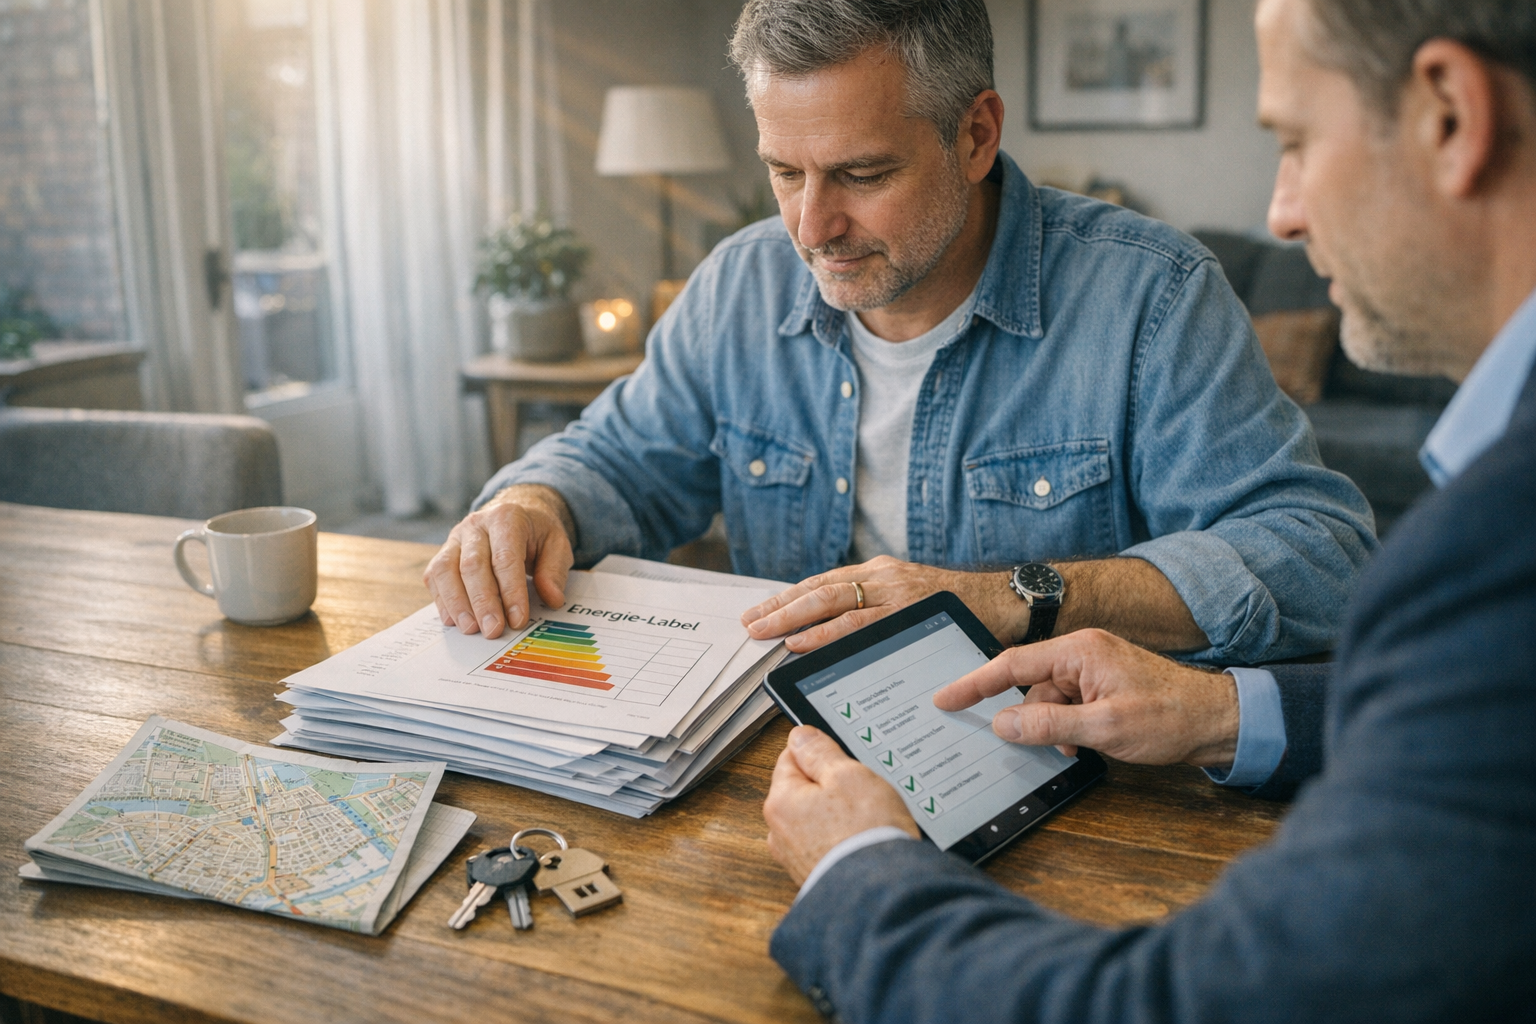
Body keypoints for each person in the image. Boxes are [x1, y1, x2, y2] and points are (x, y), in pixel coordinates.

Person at [762, 0, 1536, 1019]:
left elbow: (1179, 1003)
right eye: (783, 173)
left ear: (1449, 114)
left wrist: (858, 873)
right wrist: (1224, 712)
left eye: (1294, 142)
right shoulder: (737, 282)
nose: (1283, 215)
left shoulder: (1492, 547)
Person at [425, 0, 1375, 667]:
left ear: (975, 135)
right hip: (782, 758)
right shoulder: (738, 283)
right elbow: (620, 460)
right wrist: (537, 503)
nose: (810, 229)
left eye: (862, 174)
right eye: (784, 173)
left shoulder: (1151, 298)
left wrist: (1007, 599)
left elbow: (1319, 557)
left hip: (1062, 773)